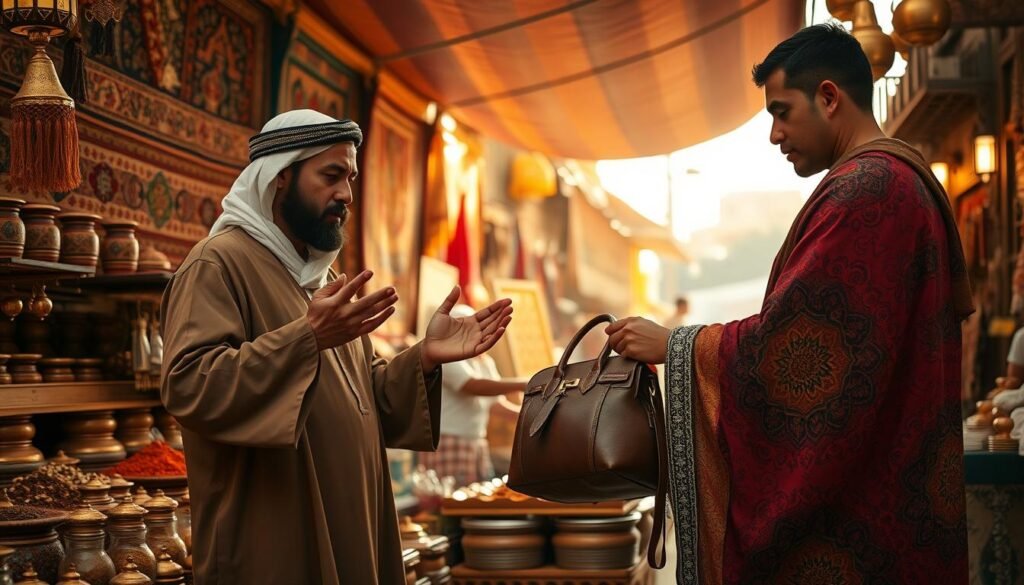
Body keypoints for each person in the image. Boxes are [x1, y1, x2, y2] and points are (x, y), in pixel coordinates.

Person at [606, 24, 971, 583]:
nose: (775, 135)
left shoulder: (867, 191)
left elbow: (795, 350)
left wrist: (676, 346)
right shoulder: (890, 181)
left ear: (828, 97)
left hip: (868, 523)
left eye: (782, 112)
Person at [159, 109, 513, 585]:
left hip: (353, 524)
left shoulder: (318, 278)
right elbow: (189, 385)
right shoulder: (218, 264)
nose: (346, 193)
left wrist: (425, 357)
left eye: (350, 178)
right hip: (275, 533)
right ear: (280, 176)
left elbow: (366, 392)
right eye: (330, 176)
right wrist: (307, 338)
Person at [417, 303, 526, 486]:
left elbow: (494, 404)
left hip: (475, 440)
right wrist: (522, 384)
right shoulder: (445, 356)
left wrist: (529, 416)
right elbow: (472, 385)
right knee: (450, 496)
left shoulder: (484, 361)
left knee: (473, 495)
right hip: (449, 439)